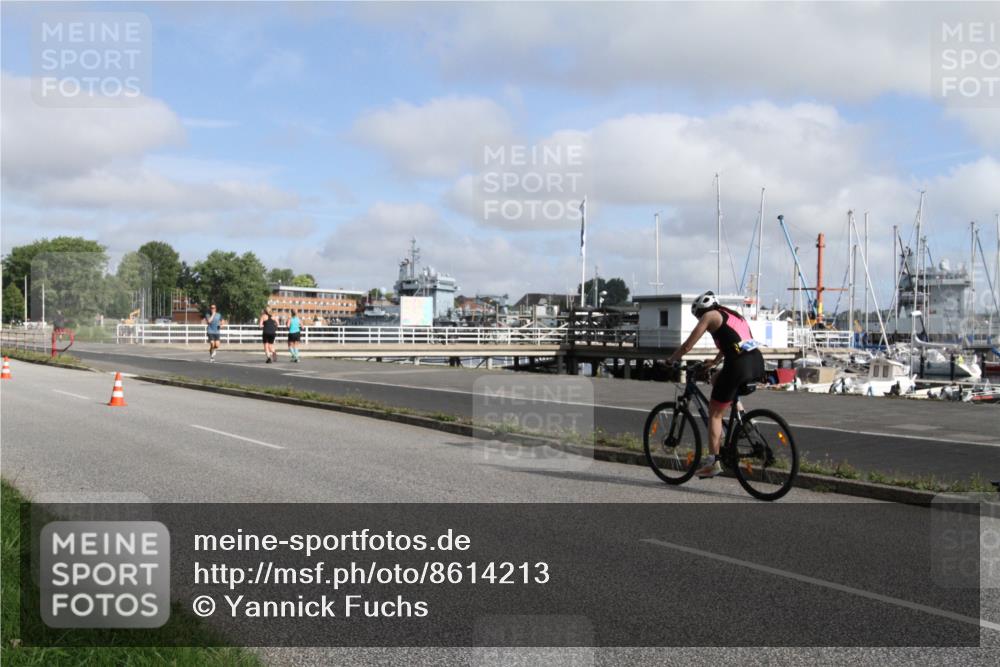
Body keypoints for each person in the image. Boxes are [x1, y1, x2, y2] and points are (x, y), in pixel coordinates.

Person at [667, 291, 765, 479]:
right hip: (756, 361)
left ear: (701, 311)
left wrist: (671, 360)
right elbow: (733, 342)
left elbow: (688, 346)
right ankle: (744, 421)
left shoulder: (709, 316)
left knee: (715, 413)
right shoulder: (733, 315)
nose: (699, 318)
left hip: (738, 365)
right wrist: (714, 362)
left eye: (698, 315)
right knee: (715, 379)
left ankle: (713, 462)